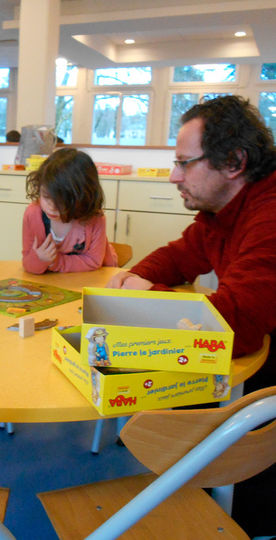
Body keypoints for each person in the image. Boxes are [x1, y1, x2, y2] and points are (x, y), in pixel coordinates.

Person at [106, 95, 276, 538]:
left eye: (184, 163)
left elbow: (234, 325)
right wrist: (135, 277)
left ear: (234, 161)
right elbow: (181, 254)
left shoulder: (270, 211)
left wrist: (149, 296)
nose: (173, 176)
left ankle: (245, 519)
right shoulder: (221, 211)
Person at [22, 148, 117, 274]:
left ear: (82, 199)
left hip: (94, 278)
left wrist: (55, 262)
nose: (52, 207)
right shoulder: (33, 214)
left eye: (61, 202)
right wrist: (39, 260)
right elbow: (28, 264)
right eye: (46, 196)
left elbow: (94, 262)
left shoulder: (95, 219)